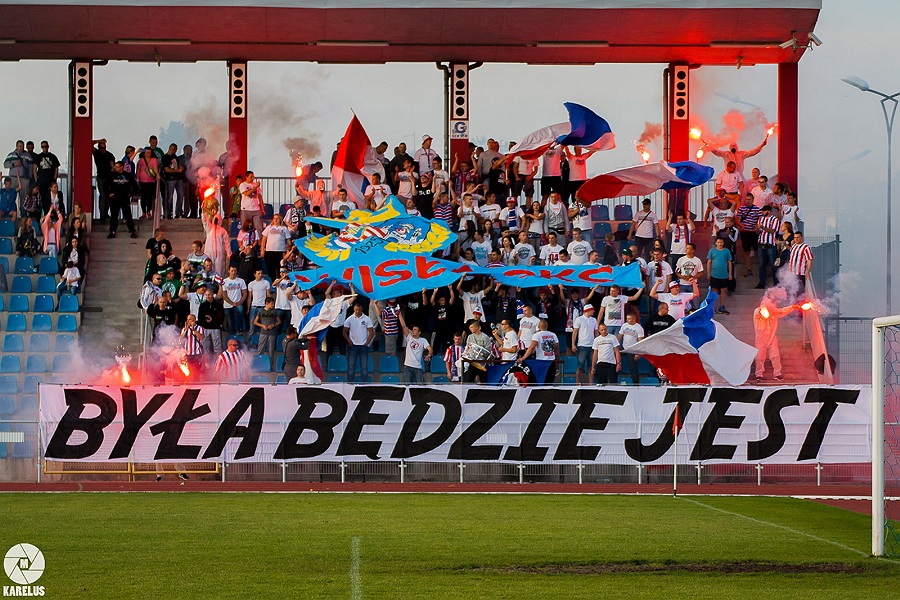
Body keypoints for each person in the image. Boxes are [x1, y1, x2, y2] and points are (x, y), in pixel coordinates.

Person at [752, 296, 794, 381]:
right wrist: (764, 307)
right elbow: (761, 311)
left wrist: (792, 307)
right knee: (760, 357)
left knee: (775, 356)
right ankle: (759, 374)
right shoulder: (758, 311)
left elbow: (782, 311)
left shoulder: (773, 312)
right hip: (760, 339)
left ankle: (777, 373)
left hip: (771, 337)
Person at [518, 319, 560, 383]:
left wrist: (523, 358)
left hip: (541, 361)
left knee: (540, 381)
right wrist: (557, 360)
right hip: (551, 361)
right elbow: (557, 349)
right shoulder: (553, 335)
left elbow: (531, 348)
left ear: (538, 326)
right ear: (547, 326)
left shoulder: (537, 335)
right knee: (549, 382)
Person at [343, 302, 375, 382]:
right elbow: (344, 332)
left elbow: (371, 332)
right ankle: (350, 383)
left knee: (364, 366)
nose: (357, 311)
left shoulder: (367, 319)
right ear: (354, 309)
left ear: (362, 309)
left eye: (359, 310)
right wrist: (349, 341)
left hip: (363, 346)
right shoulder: (349, 319)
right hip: (353, 346)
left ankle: (364, 383)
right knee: (351, 366)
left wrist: (367, 343)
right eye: (356, 309)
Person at [398, 311, 431, 384]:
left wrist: (429, 355)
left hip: (418, 367)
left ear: (419, 332)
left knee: (420, 386)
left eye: (415, 330)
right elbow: (404, 326)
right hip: (408, 366)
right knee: (407, 386)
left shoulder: (423, 340)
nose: (413, 331)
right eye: (412, 329)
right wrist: (399, 314)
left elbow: (430, 349)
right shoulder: (409, 337)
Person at [571, 304, 599, 385]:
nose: (593, 311)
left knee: (591, 366)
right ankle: (578, 383)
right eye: (592, 310)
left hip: (592, 346)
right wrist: (573, 344)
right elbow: (575, 332)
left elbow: (596, 332)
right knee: (580, 366)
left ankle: (591, 384)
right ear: (588, 310)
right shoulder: (579, 319)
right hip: (582, 346)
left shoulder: (594, 320)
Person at [755, 205, 781, 290]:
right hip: (761, 243)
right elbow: (757, 232)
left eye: (764, 211)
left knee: (773, 265)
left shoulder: (775, 219)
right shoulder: (760, 219)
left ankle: (776, 283)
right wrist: (757, 229)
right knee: (761, 265)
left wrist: (762, 227)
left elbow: (773, 230)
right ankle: (761, 283)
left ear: (769, 211)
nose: (762, 212)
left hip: (770, 244)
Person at [706, 236, 733, 314]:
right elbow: (709, 262)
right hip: (714, 274)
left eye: (721, 242)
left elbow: (729, 262)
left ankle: (722, 306)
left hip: (724, 275)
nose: (720, 244)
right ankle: (712, 306)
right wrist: (708, 273)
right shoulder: (712, 251)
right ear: (716, 243)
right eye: (718, 242)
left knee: (723, 290)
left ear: (723, 243)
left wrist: (730, 274)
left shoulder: (726, 251)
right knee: (713, 290)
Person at [253, 297, 281, 371]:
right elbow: (255, 322)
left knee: (271, 351)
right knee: (260, 349)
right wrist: (262, 325)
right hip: (263, 333)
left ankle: (270, 367)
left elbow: (279, 321)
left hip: (272, 333)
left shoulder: (274, 312)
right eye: (271, 304)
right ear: (267, 303)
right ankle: (258, 365)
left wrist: (273, 325)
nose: (273, 305)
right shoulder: (261, 311)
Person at [462, 317, 493, 383]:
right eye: (470, 327)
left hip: (482, 363)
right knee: (468, 380)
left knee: (483, 381)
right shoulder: (469, 337)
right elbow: (468, 348)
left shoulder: (485, 337)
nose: (470, 329)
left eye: (472, 327)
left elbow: (488, 350)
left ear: (476, 327)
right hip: (472, 362)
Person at [617, 312, 645, 384]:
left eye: (628, 319)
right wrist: (615, 346)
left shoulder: (639, 328)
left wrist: (638, 353)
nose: (627, 320)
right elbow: (620, 336)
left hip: (632, 350)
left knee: (633, 368)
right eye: (626, 318)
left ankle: (635, 384)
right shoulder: (624, 325)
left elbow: (640, 341)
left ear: (633, 319)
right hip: (624, 348)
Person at [220, 266, 248, 335]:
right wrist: (232, 303)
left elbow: (245, 293)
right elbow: (224, 295)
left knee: (241, 312)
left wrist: (240, 302)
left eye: (235, 271)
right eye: (232, 271)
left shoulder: (241, 281)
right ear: (229, 271)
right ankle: (231, 334)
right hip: (228, 304)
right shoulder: (224, 281)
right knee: (230, 321)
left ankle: (238, 329)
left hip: (238, 303)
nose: (233, 272)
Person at [92, 139, 116, 220]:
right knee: (102, 195)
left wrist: (113, 169)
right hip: (100, 177)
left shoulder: (109, 155)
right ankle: (102, 213)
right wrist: (99, 140)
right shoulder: (97, 153)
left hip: (109, 178)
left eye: (104, 147)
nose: (103, 149)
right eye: (101, 148)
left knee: (108, 195)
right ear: (99, 147)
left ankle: (106, 212)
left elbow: (112, 165)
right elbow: (90, 144)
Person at [787, 230, 814, 296]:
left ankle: (800, 301)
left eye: (798, 237)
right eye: (795, 237)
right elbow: (791, 258)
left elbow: (809, 260)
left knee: (800, 292)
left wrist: (808, 271)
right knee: (792, 291)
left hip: (800, 273)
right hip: (792, 273)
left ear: (802, 237)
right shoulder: (793, 246)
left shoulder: (806, 247)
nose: (796, 239)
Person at [136, 147, 160, 219]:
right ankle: (144, 213)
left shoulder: (154, 160)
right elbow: (138, 170)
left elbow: (155, 168)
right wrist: (137, 179)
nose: (148, 154)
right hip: (142, 180)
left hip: (151, 180)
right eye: (147, 153)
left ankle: (149, 211)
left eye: (149, 153)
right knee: (143, 197)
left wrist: (157, 175)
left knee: (150, 197)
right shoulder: (141, 161)